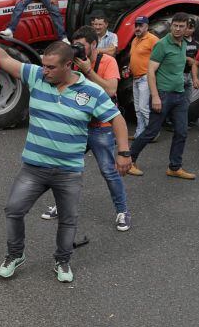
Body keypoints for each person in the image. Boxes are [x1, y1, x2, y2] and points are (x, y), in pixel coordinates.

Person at [0, 41, 130, 283]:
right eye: (43, 65)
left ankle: (62, 260)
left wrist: (124, 152)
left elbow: (117, 119)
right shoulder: (36, 76)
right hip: (33, 168)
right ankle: (15, 255)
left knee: (68, 219)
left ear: (69, 65)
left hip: (68, 172)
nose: (44, 70)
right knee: (13, 210)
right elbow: (3, 59)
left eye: (51, 67)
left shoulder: (91, 92)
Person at [40, 26, 131, 231]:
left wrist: (88, 70)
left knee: (108, 171)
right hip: (77, 127)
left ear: (94, 44)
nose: (77, 50)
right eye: (75, 46)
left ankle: (122, 211)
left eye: (81, 46)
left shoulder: (108, 62)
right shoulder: (72, 64)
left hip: (101, 127)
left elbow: (110, 90)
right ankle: (61, 206)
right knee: (64, 169)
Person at [128, 13, 194, 179]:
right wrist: (155, 97)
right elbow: (150, 72)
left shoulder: (184, 43)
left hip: (179, 96)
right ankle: (129, 161)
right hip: (163, 95)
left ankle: (174, 167)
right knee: (151, 131)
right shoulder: (162, 44)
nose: (178, 29)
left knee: (182, 132)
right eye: (175, 26)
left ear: (187, 28)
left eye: (181, 26)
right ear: (171, 26)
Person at [128, 16, 159, 139]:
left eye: (141, 25)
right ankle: (139, 133)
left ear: (147, 26)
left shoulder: (153, 39)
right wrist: (129, 68)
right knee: (138, 109)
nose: (138, 28)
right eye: (136, 25)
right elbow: (134, 57)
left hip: (146, 77)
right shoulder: (135, 40)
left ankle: (154, 134)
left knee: (143, 108)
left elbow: (160, 58)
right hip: (136, 78)